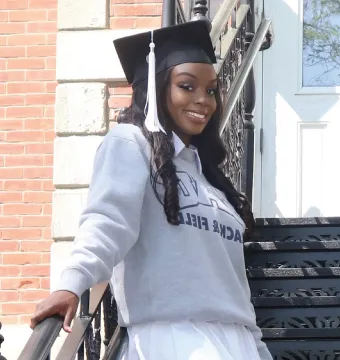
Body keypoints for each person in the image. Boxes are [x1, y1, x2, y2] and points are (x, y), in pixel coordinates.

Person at [30, 21, 273, 360]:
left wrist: (257, 347)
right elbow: (107, 222)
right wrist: (71, 283)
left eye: (212, 90)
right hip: (174, 339)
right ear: (157, 89)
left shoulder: (211, 181)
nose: (204, 100)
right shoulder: (130, 144)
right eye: (187, 86)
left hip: (237, 343)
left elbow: (233, 284)